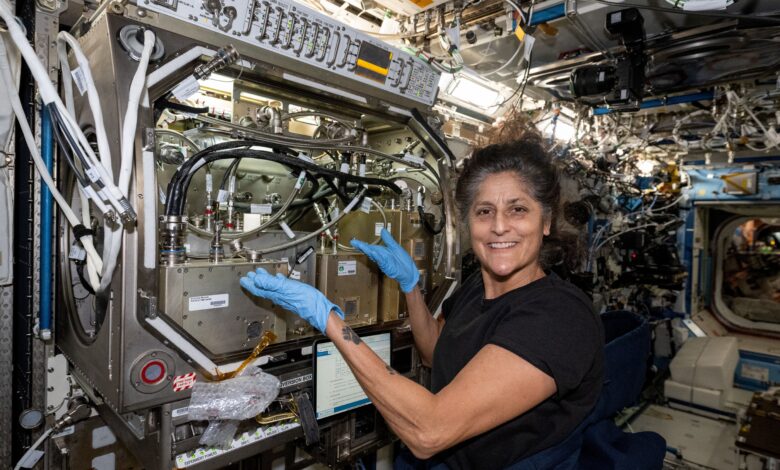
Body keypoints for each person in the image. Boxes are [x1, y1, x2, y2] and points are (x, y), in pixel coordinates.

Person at [240, 134, 605, 469]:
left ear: (546, 221)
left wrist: (330, 320)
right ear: (468, 224)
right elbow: (434, 352)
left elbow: (429, 431)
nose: (498, 226)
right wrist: (411, 287)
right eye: (484, 211)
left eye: (518, 210)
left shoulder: (559, 317)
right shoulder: (479, 286)